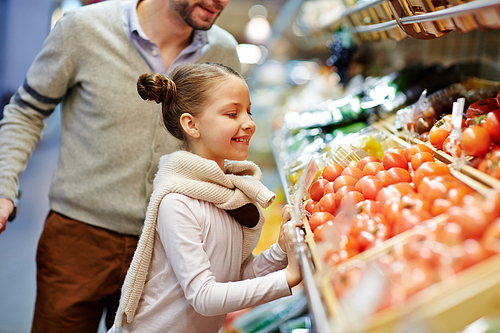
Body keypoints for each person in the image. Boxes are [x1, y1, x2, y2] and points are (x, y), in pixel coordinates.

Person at [0, 0, 240, 331]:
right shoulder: (83, 28)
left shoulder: (224, 51)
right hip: (78, 239)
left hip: (169, 245)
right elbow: (26, 110)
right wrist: (3, 186)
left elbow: (225, 143)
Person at [108, 62, 302, 333]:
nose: (249, 123)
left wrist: (281, 250)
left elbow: (236, 277)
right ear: (191, 125)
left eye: (249, 111)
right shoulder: (177, 202)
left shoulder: (227, 194)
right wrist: (288, 278)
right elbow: (204, 297)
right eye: (232, 113)